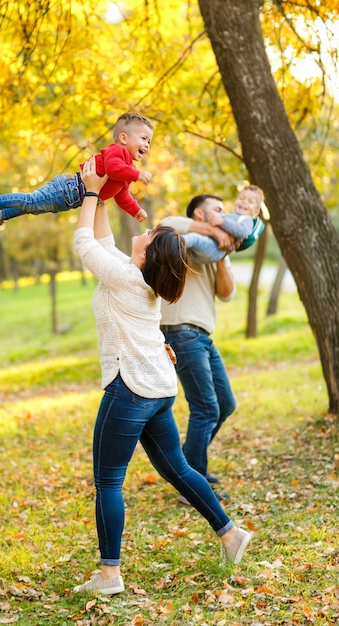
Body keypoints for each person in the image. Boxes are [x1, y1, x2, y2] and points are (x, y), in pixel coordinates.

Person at [72, 158, 251, 595]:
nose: (146, 233)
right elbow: (102, 238)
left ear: (148, 253)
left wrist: (90, 192)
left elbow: (83, 241)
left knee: (108, 481)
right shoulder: (134, 276)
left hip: (130, 390)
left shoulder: (124, 278)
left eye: (151, 236)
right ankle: (230, 535)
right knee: (179, 469)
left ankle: (110, 576)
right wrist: (107, 188)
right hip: (157, 391)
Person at [160, 193, 238, 503]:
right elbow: (167, 224)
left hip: (202, 335)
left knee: (225, 404)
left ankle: (191, 469)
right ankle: (191, 484)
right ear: (200, 214)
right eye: (217, 209)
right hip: (180, 332)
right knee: (206, 409)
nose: (224, 215)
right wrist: (215, 232)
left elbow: (227, 293)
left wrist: (221, 253)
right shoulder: (178, 235)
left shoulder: (217, 245)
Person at [0, 112, 153, 239]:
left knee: (33, 208)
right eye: (143, 138)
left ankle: (0, 215)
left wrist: (135, 210)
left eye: (149, 141)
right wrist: (137, 175)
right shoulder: (118, 152)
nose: (147, 144)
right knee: (30, 201)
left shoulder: (127, 170)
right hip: (69, 188)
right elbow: (113, 169)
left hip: (72, 199)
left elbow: (122, 196)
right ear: (123, 138)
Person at [183, 185, 265, 264]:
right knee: (189, 245)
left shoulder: (247, 219)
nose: (244, 202)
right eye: (241, 198)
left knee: (194, 238)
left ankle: (175, 243)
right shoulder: (230, 216)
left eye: (250, 202)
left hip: (215, 249)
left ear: (256, 212)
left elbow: (243, 232)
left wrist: (222, 222)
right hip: (208, 247)